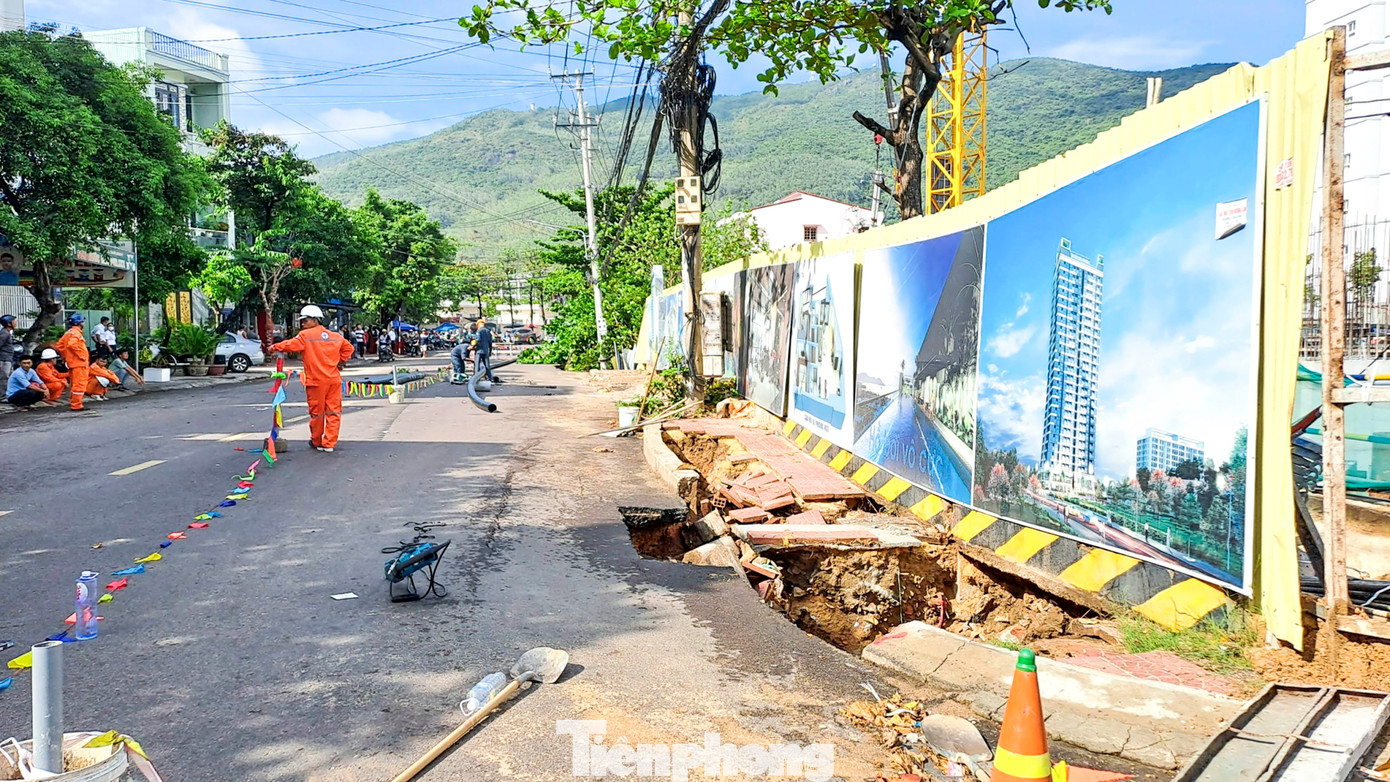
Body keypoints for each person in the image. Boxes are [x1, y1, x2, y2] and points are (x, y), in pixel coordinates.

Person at [271, 305, 355, 453]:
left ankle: (316, 441)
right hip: (334, 380)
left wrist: (274, 347)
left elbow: (290, 345)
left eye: (305, 320)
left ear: (315, 320)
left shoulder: (305, 336)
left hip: (316, 381)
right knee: (333, 412)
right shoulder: (335, 336)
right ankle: (329, 443)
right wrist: (339, 361)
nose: (302, 324)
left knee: (317, 413)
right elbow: (349, 349)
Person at [55, 314, 90, 411]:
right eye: (82, 321)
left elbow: (59, 346)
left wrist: (66, 356)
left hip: (73, 363)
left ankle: (75, 403)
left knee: (75, 384)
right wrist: (81, 355)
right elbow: (71, 344)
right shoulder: (76, 333)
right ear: (79, 323)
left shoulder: (68, 333)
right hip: (79, 363)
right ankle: (76, 405)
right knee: (79, 384)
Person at [473, 319, 495, 383]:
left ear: (478, 325)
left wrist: (474, 345)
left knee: (477, 365)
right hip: (486, 351)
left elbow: (478, 339)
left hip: (479, 350)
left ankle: (476, 379)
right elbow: (490, 342)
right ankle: (490, 378)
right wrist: (490, 351)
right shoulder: (488, 331)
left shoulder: (479, 331)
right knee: (487, 365)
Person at [0, 314, 15, 389]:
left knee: (10, 377)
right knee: (4, 377)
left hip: (8, 358)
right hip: (4, 359)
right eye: (13, 321)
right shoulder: (4, 333)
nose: (15, 323)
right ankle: (2, 397)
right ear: (9, 323)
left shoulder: (7, 332)